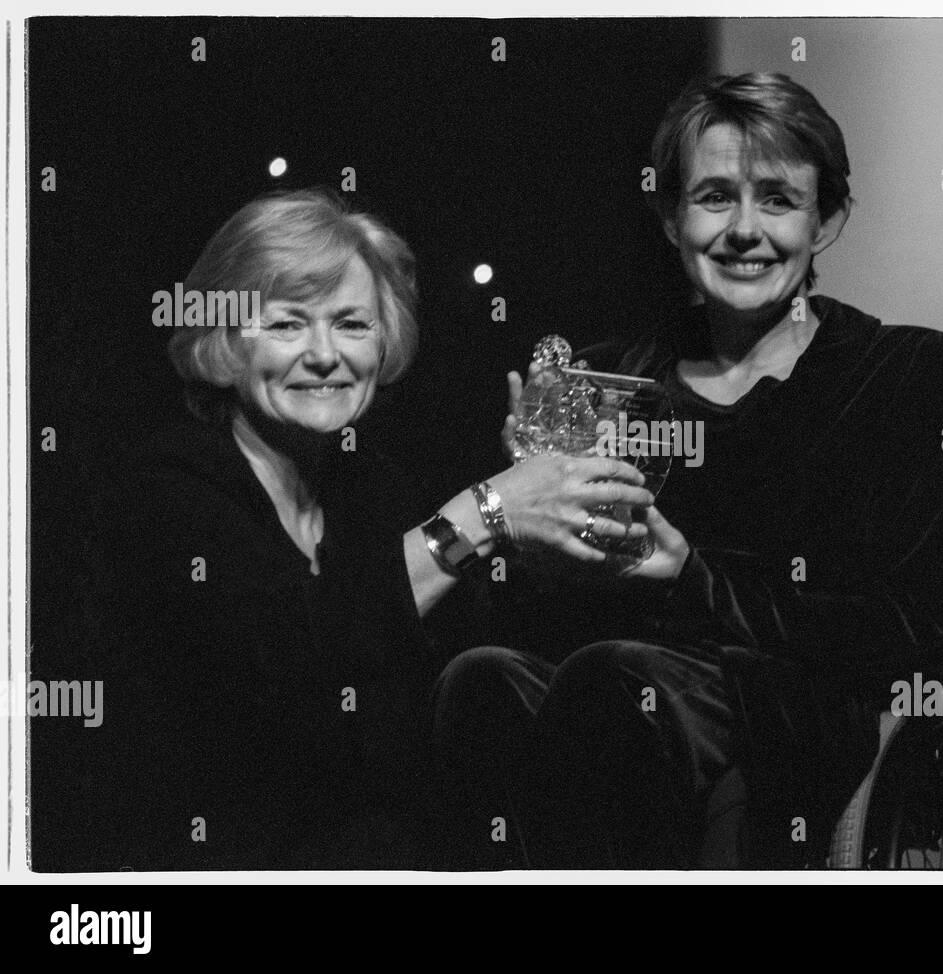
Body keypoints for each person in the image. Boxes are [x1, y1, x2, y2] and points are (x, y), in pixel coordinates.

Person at [432, 72, 943, 869]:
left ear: (824, 219)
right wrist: (529, 529)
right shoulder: (607, 380)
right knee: (479, 677)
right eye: (714, 196)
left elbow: (916, 629)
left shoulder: (914, 376)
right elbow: (524, 620)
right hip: (613, 698)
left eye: (777, 199)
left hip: (801, 712)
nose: (743, 229)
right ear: (670, 218)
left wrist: (688, 577)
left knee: (613, 678)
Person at [83, 188, 656, 870]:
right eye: (288, 324)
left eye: (352, 324)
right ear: (224, 343)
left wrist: (541, 545)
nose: (324, 354)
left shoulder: (374, 487)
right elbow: (282, 670)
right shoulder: (163, 493)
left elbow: (460, 689)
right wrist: (484, 512)